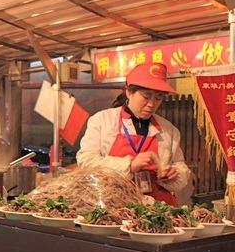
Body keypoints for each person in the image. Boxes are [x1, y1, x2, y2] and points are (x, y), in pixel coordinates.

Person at [77, 63, 191, 205]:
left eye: (158, 98)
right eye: (146, 96)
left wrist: (174, 174)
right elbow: (86, 161)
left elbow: (180, 165)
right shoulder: (102, 121)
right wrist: (129, 165)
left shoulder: (169, 130)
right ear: (129, 92)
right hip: (113, 205)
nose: (151, 104)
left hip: (158, 208)